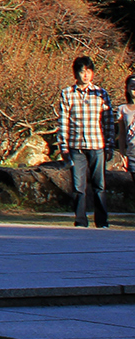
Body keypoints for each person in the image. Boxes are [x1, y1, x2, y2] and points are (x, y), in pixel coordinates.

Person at [56, 55, 115, 227]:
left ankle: (102, 220)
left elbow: (108, 121)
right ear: (76, 73)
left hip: (97, 145)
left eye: (89, 71)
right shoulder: (67, 93)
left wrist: (109, 144)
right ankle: (80, 219)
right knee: (78, 185)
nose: (86, 75)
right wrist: (63, 146)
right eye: (82, 72)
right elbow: (63, 121)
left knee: (99, 184)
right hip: (76, 146)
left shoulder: (101, 93)